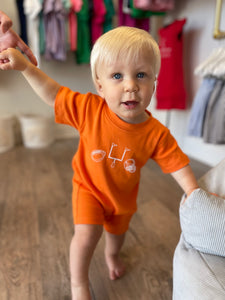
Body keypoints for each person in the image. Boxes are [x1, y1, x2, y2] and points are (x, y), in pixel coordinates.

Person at [0, 26, 199, 300]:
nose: (131, 85)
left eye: (141, 75)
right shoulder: (89, 109)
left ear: (154, 82)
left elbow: (176, 162)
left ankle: (112, 255)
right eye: (117, 76)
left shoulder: (156, 132)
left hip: (122, 198)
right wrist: (25, 68)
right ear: (100, 85)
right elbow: (52, 92)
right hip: (89, 189)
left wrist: (194, 193)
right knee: (85, 237)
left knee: (117, 236)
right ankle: (79, 285)